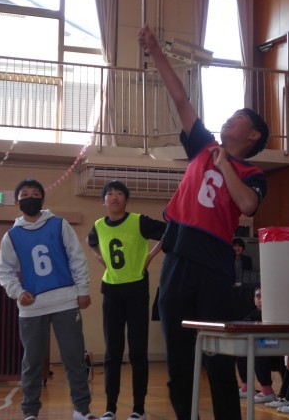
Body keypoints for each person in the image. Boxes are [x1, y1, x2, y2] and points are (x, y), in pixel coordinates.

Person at [138, 24, 269, 420]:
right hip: (179, 258)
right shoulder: (202, 144)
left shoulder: (252, 173)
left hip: (214, 266)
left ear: (253, 135)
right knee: (179, 363)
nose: (228, 120)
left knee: (218, 361)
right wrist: (155, 50)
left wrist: (225, 164)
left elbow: (247, 205)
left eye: (237, 118)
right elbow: (180, 96)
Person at [0, 178, 97, 420]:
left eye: (35, 194)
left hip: (65, 301)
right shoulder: (11, 236)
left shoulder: (59, 224)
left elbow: (77, 257)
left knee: (74, 357)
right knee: (32, 362)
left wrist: (83, 289)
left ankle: (81, 410)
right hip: (32, 307)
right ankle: (30, 412)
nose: (30, 197)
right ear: (17, 201)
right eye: (25, 194)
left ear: (42, 199)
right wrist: (18, 292)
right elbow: (4, 270)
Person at [87, 180, 166, 420]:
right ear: (103, 201)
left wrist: (150, 257)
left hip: (136, 290)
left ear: (126, 199)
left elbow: (168, 231)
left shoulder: (138, 221)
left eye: (119, 193)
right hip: (111, 291)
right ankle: (110, 408)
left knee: (137, 351)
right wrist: (100, 259)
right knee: (112, 351)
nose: (114, 197)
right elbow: (92, 243)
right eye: (109, 193)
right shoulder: (98, 225)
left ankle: (138, 408)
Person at [236, 287, 279, 403]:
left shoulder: (276, 313)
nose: (261, 300)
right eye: (258, 297)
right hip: (267, 344)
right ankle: (247, 387)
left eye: (264, 296)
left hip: (279, 344)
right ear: (254, 300)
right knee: (242, 345)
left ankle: (267, 391)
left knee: (259, 345)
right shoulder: (254, 313)